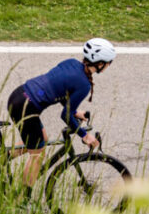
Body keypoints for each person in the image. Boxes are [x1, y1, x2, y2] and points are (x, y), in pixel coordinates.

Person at [7, 38, 116, 186]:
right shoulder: (84, 85)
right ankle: (22, 200)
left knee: (40, 139)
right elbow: (65, 115)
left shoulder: (71, 63)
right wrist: (84, 135)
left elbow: (59, 88)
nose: (109, 65)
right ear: (100, 63)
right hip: (27, 108)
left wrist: (75, 111)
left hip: (19, 95)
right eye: (110, 62)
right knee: (37, 155)